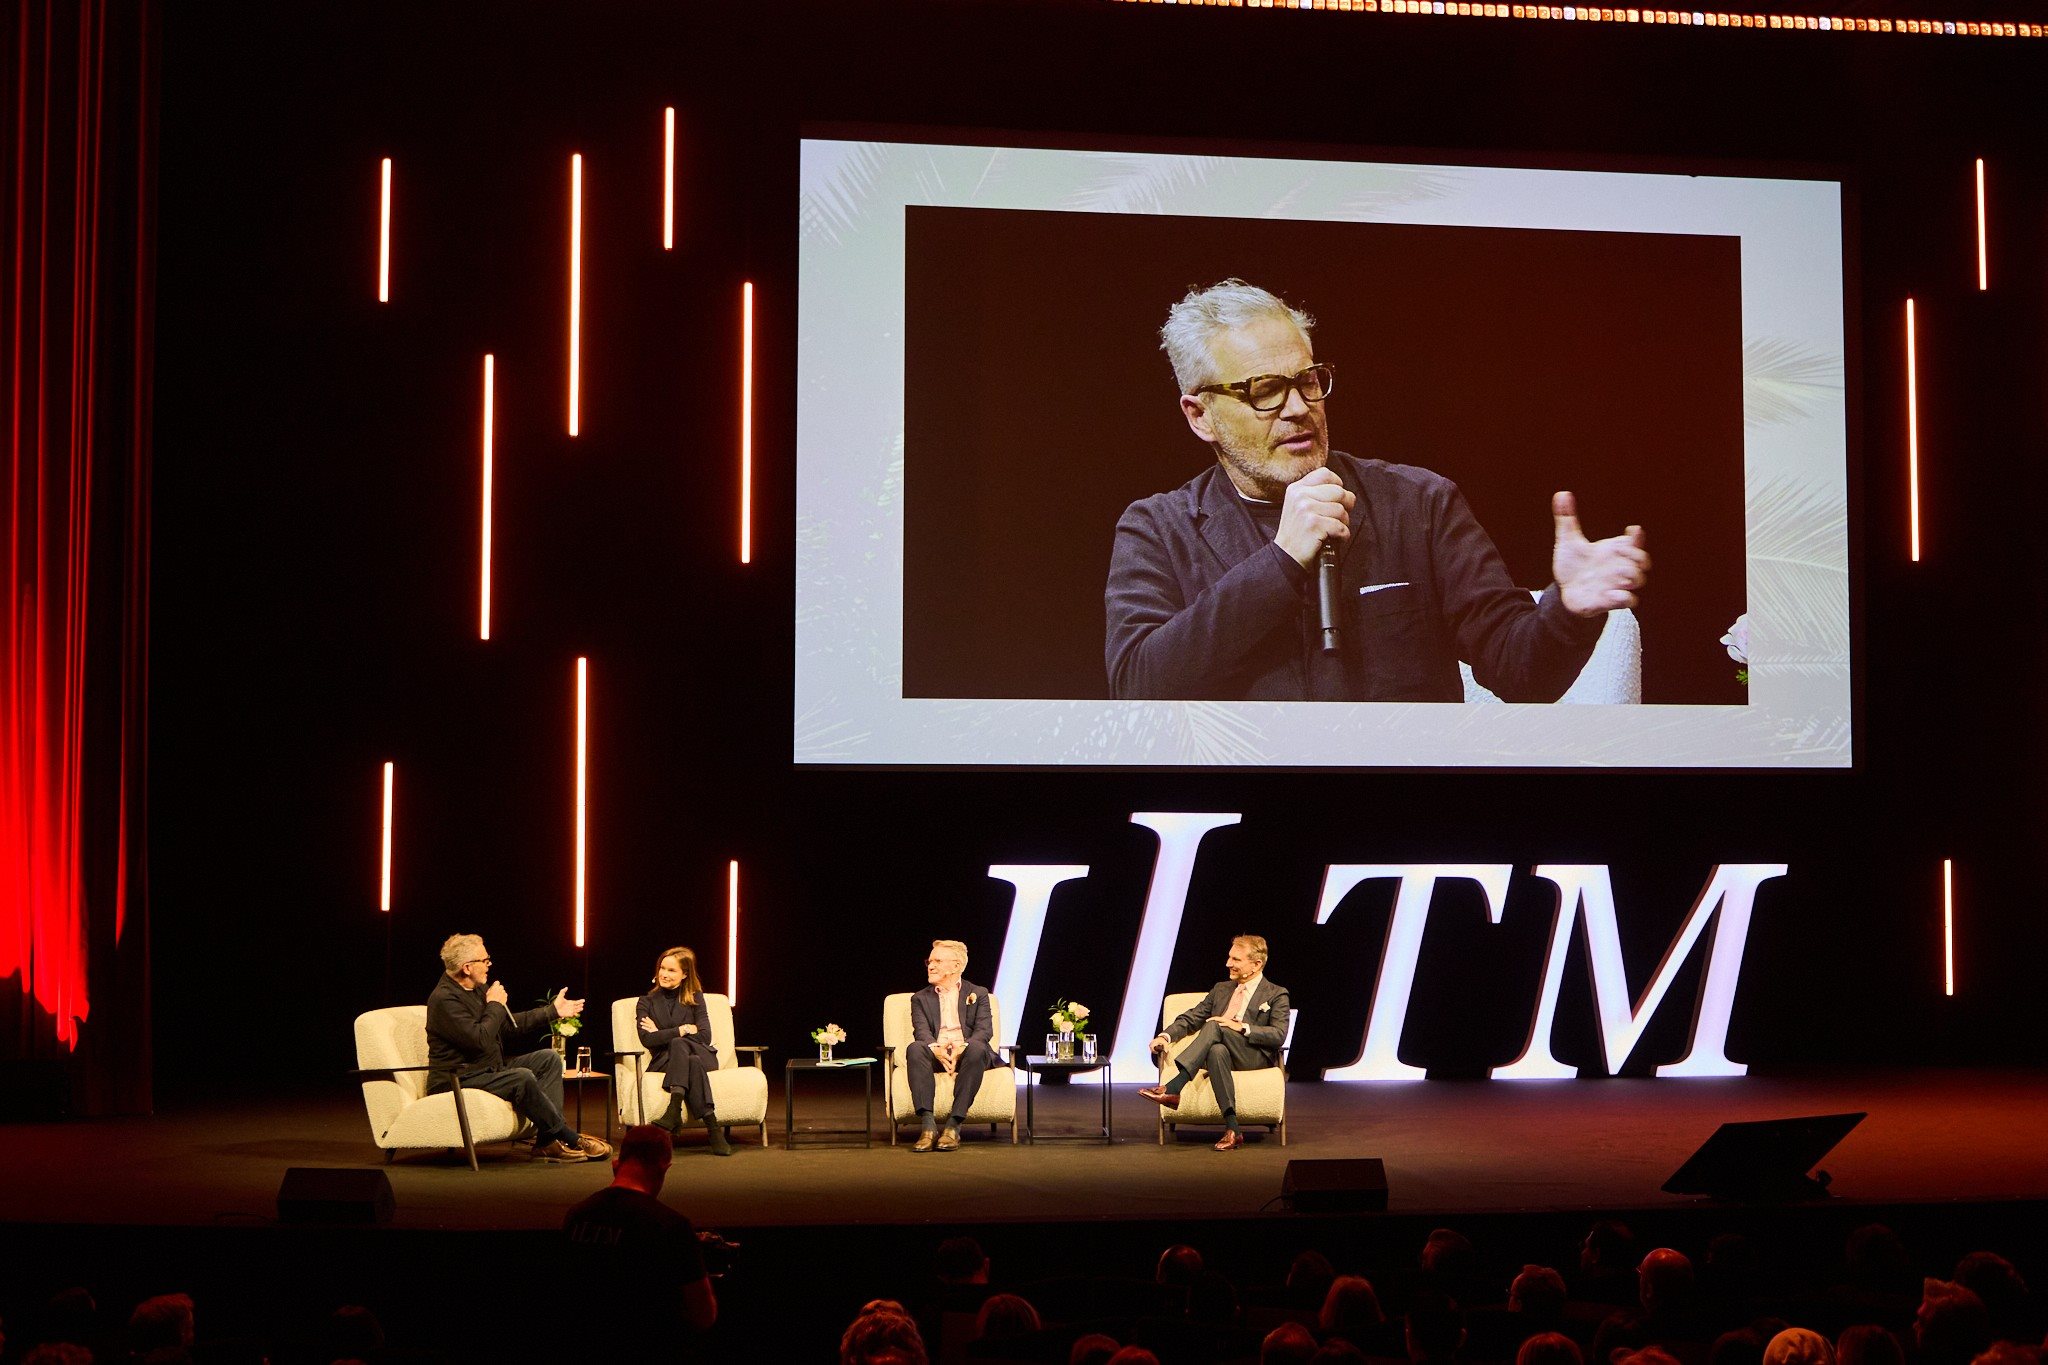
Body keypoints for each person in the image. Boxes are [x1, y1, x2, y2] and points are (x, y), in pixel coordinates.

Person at [1106, 279, 1649, 703]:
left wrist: (1568, 610)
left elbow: (1520, 672)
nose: (1298, 408)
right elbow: (1138, 688)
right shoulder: (1158, 529)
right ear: (1199, 415)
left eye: (1308, 381)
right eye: (1264, 391)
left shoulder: (1418, 503)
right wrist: (1280, 562)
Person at [425, 933, 611, 1162]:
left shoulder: (478, 989)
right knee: (521, 1077)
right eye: (484, 960)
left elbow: (506, 1027)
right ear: (467, 967)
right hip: (458, 1076)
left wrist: (552, 1012)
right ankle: (569, 1136)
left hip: (487, 1069)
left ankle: (546, 1143)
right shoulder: (444, 1000)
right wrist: (495, 1004)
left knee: (549, 1058)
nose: (489, 964)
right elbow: (479, 1039)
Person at [562, 1125, 718, 1343]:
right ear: (663, 1168)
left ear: (616, 1165)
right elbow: (703, 1316)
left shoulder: (576, 1217)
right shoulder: (671, 1227)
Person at [1139, 935, 1290, 1151]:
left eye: (1236, 959)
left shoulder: (1276, 994)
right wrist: (1165, 1036)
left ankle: (1174, 1086)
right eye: (1229, 957)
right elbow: (1192, 1017)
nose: (1228, 963)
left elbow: (1278, 1034)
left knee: (1214, 1025)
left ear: (1256, 964)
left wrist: (1242, 1027)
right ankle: (1233, 1129)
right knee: (1216, 1050)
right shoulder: (1221, 989)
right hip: (1221, 1054)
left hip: (1252, 1055)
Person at [637, 945, 733, 1157]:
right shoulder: (646, 1002)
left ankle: (674, 1109)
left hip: (704, 1054)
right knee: (690, 1059)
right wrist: (683, 1029)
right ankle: (713, 1128)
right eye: (662, 968)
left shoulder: (695, 997)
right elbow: (647, 1039)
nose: (664, 974)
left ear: (685, 974)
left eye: (671, 970)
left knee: (680, 1045)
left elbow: (705, 1036)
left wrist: (662, 1033)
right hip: (666, 1061)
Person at [905, 939, 997, 1152]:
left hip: (967, 1054)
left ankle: (953, 1126)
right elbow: (921, 1031)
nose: (930, 966)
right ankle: (928, 1127)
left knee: (977, 1048)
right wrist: (935, 1049)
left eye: (937, 961)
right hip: (936, 1053)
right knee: (915, 1047)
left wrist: (962, 1047)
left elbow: (984, 1030)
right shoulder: (920, 998)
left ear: (956, 966)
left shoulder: (978, 993)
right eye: (929, 961)